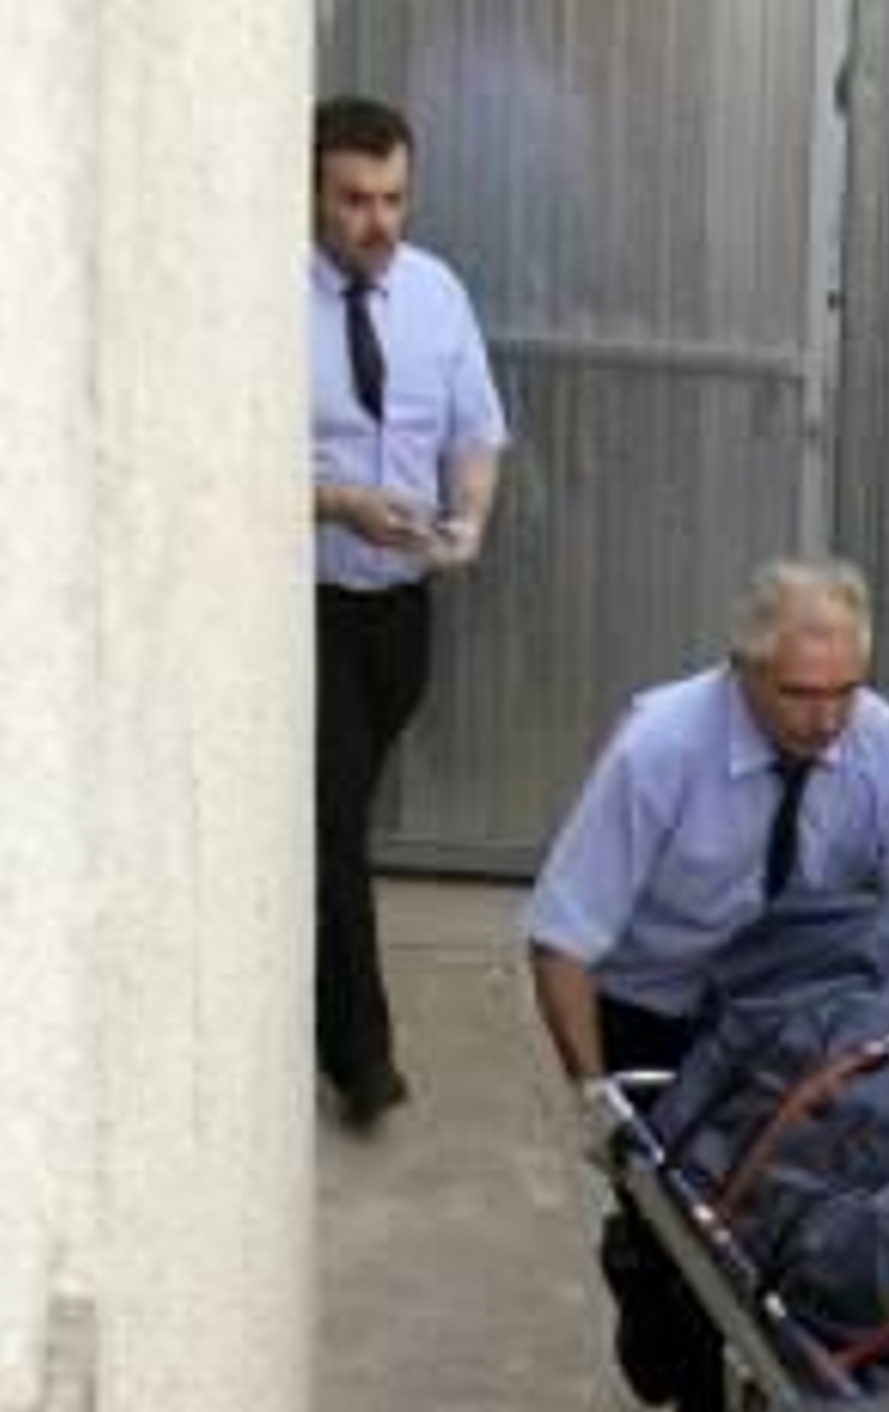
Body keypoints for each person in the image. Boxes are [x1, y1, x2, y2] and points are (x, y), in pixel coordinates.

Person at [522, 558, 889, 1412]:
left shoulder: (879, 739)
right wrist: (597, 1102)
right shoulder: (660, 748)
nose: (827, 720)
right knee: (690, 1258)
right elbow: (561, 940)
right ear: (744, 671)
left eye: (845, 691)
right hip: (661, 1008)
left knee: (821, 1227)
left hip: (794, 1012)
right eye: (802, 695)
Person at [312, 95, 509, 1128]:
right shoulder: (266, 298)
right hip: (305, 604)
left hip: (400, 609)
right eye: (354, 200)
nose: (377, 222)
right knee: (333, 822)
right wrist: (338, 501)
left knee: (329, 821)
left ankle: (306, 984)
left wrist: (466, 520)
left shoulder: (436, 292)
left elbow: (475, 430)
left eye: (393, 198)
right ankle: (361, 1058)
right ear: (312, 194)